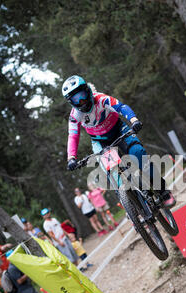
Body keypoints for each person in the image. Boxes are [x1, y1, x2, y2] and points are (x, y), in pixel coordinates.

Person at [62, 75, 176, 207]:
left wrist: (133, 120)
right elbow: (73, 136)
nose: (81, 101)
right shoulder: (74, 116)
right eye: (76, 99)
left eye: (81, 95)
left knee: (138, 154)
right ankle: (132, 207)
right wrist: (71, 158)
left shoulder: (100, 98)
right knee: (113, 174)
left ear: (87, 90)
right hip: (100, 142)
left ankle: (163, 191)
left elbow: (121, 107)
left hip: (118, 130)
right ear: (71, 102)